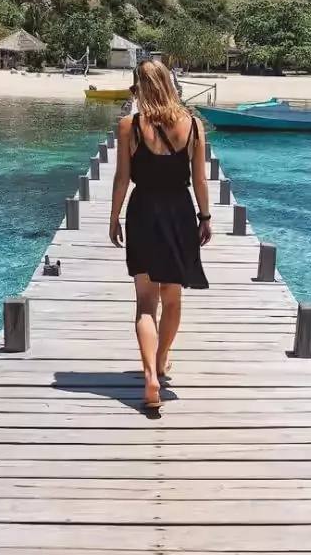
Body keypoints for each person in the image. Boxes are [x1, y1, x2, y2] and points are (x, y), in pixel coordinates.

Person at [109, 59, 211, 409]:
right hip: (180, 213)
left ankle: (150, 374)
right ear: (169, 84)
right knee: (172, 299)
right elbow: (199, 180)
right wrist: (205, 216)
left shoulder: (130, 126)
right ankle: (162, 360)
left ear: (138, 87)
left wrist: (113, 217)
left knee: (144, 304)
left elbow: (122, 178)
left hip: (143, 213)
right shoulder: (194, 126)